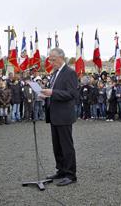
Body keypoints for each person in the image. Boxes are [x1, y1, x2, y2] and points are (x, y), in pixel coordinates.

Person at [41, 48, 78, 186]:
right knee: (57, 146)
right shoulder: (55, 73)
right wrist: (44, 94)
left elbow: (71, 94)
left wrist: (52, 92)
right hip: (54, 114)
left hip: (64, 115)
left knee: (66, 146)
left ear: (61, 57)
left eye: (53, 59)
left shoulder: (70, 73)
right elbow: (54, 92)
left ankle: (70, 174)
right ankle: (61, 169)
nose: (51, 62)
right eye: (50, 59)